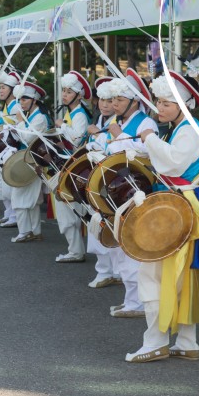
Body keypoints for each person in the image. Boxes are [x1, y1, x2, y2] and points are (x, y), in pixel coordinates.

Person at [126, 70, 199, 364]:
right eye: (158, 101)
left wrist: (148, 138)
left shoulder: (188, 129)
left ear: (182, 106)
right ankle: (186, 341)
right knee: (180, 277)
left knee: (153, 273)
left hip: (178, 209)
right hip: (180, 206)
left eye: (167, 103)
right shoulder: (179, 127)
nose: (160, 107)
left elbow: (173, 163)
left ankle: (156, 341)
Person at [104, 69, 158, 318]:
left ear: (135, 102)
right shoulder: (121, 122)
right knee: (121, 245)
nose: (114, 104)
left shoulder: (146, 123)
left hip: (136, 189)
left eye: (120, 100)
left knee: (133, 245)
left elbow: (147, 153)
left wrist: (119, 137)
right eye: (113, 99)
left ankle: (137, 302)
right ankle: (131, 300)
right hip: (119, 187)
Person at [84, 77, 123, 288]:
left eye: (110, 101)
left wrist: (96, 135)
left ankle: (114, 271)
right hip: (96, 178)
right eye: (102, 100)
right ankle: (104, 270)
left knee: (112, 224)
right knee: (98, 223)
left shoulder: (116, 124)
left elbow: (110, 149)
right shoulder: (100, 120)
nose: (105, 105)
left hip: (112, 179)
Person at [52, 70, 92, 262]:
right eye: (64, 91)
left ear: (78, 94)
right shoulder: (71, 113)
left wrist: (61, 126)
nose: (64, 95)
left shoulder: (79, 115)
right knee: (67, 207)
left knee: (68, 207)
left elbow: (76, 140)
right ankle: (75, 248)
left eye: (68, 91)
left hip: (75, 167)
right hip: (68, 165)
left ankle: (76, 251)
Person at [4, 81, 50, 243]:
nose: (21, 102)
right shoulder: (30, 115)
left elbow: (29, 138)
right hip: (26, 159)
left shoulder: (40, 118)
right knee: (30, 199)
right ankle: (34, 231)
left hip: (32, 161)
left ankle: (25, 231)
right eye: (20, 99)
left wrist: (19, 123)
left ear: (34, 100)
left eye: (24, 99)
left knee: (21, 197)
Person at [0, 70, 22, 227]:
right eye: (0, 87)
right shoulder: (6, 106)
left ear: (12, 89)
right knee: (0, 183)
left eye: (4, 87)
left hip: (12, 150)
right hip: (3, 149)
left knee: (8, 184)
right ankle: (8, 213)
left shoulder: (16, 106)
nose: (1, 90)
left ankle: (15, 216)